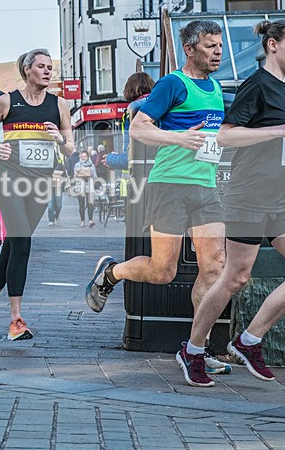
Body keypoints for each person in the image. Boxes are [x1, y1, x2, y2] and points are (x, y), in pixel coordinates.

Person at [86, 20, 231, 375]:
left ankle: (198, 347)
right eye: (210, 46)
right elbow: (139, 126)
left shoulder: (215, 87)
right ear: (190, 49)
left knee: (214, 267)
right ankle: (112, 272)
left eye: (219, 45)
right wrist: (180, 138)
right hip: (169, 185)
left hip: (205, 186)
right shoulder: (172, 84)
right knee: (163, 271)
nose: (218, 52)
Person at [179, 20, 285, 386]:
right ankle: (192, 350)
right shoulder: (255, 85)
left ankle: (248, 341)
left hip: (282, 199)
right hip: (248, 196)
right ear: (272, 45)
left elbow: (277, 142)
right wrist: (281, 131)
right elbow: (224, 136)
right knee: (235, 277)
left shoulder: (284, 90)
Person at [0, 48, 74, 340]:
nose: (47, 71)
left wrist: (60, 139)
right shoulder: (7, 101)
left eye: (50, 67)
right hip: (10, 180)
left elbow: (70, 148)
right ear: (27, 70)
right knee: (23, 243)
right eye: (41, 66)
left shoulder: (60, 105)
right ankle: (16, 319)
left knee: (14, 246)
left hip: (40, 183)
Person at [104, 72, 155, 170]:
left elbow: (128, 159)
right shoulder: (163, 105)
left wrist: (110, 159)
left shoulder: (133, 110)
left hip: (142, 175)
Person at [73, 150, 97, 228]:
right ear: (80, 156)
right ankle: (82, 221)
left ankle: (90, 220)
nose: (83, 158)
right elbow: (75, 176)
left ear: (88, 157)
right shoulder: (77, 165)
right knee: (81, 205)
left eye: (85, 156)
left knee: (90, 204)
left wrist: (90, 175)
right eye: (82, 156)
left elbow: (95, 176)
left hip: (89, 186)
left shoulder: (91, 165)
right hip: (80, 186)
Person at [47, 155, 65, 226]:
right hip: (49, 186)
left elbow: (64, 175)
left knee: (58, 204)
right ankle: (51, 220)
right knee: (50, 205)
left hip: (58, 186)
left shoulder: (60, 164)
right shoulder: (46, 164)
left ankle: (56, 215)